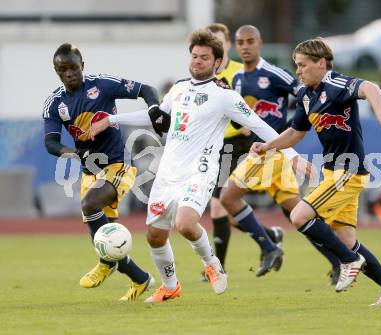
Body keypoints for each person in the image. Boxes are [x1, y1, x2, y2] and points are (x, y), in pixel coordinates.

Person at [88, 30, 312, 303]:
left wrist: (291, 155)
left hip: (200, 171)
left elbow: (259, 125)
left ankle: (212, 264)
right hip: (168, 173)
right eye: (194, 56)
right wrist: (111, 120)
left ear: (217, 62)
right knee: (155, 236)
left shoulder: (225, 96)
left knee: (184, 224)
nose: (197, 61)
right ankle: (170, 287)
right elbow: (155, 114)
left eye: (204, 58)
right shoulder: (179, 88)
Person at [251, 37, 381, 306]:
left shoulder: (335, 84)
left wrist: (380, 115)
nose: (298, 71)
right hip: (334, 173)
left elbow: (370, 87)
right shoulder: (305, 94)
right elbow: (295, 134)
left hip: (349, 171)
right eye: (296, 65)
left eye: (302, 65)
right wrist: (268, 146)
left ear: (321, 63)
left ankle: (349, 262)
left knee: (299, 215)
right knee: (346, 239)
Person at [219, 25, 341, 280]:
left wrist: (303, 131)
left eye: (250, 41)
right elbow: (238, 115)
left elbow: (305, 92)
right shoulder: (238, 78)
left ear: (260, 42)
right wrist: (239, 125)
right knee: (297, 214)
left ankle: (268, 247)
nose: (245, 46)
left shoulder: (274, 74)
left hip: (270, 152)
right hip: (265, 153)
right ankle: (339, 258)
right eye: (240, 42)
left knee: (228, 198)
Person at [42, 43, 156, 301]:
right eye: (63, 69)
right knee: (106, 237)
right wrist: (73, 153)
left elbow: (146, 90)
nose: (69, 73)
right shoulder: (55, 103)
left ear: (83, 65)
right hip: (89, 172)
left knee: (89, 205)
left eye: (73, 67)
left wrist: (155, 109)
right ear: (56, 71)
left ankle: (105, 264)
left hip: (118, 164)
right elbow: (50, 143)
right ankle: (140, 279)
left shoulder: (102, 85)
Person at [205, 23, 284, 275]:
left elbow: (254, 108)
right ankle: (270, 236)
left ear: (227, 45)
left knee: (219, 206)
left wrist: (249, 124)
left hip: (240, 145)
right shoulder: (203, 76)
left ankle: (219, 268)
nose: (214, 48)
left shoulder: (241, 73)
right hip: (213, 148)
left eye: (218, 42)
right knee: (224, 209)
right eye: (209, 44)